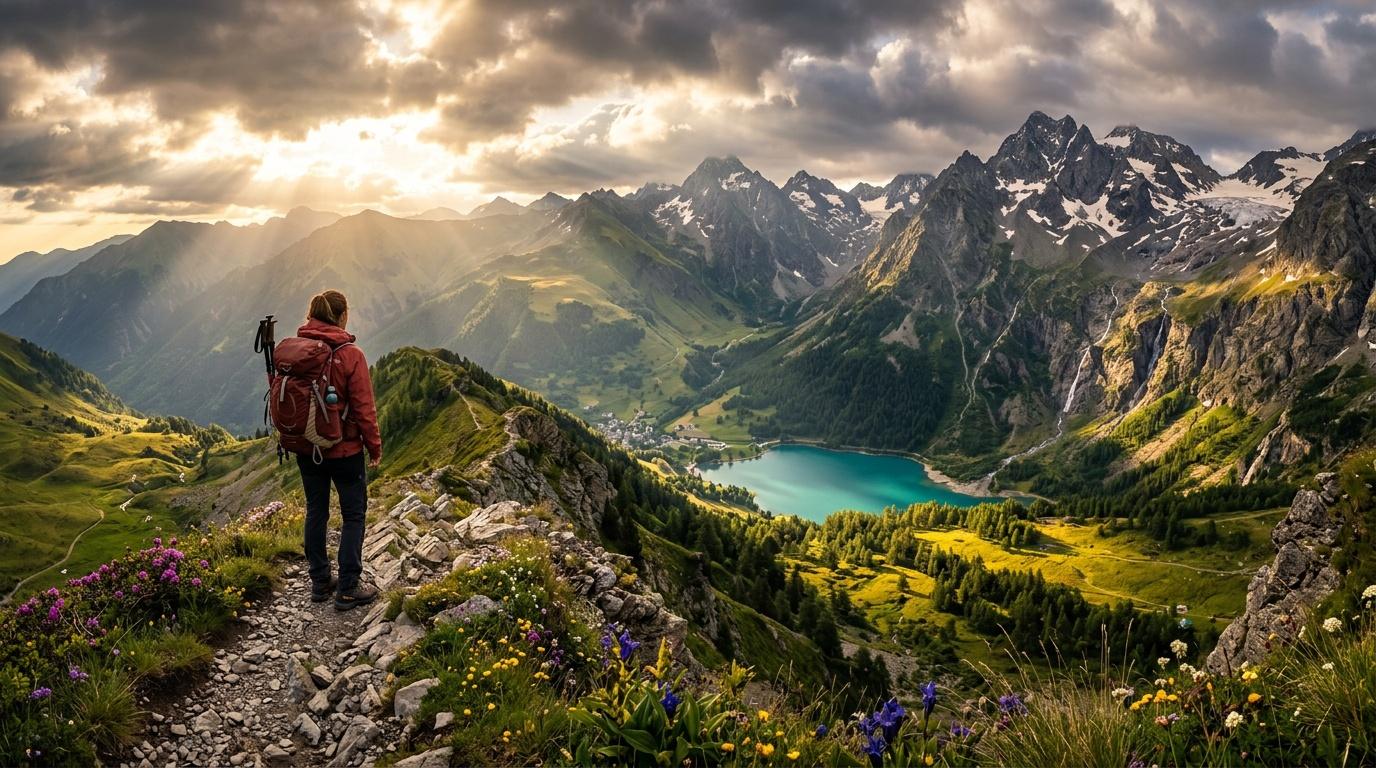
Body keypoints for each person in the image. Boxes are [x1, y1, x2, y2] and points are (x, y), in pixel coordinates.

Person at [294, 290, 383, 611]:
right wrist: (374, 447)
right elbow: (364, 408)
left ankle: (320, 582)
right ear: (341, 315)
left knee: (316, 510)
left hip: (306, 447)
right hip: (344, 450)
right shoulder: (350, 354)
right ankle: (347, 587)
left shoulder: (297, 349)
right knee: (353, 515)